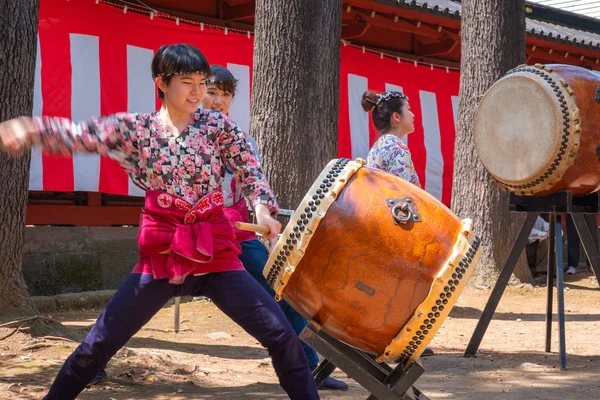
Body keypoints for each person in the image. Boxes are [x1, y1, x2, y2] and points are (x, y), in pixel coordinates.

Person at [0, 44, 319, 400]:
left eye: (202, 81)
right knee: (99, 343)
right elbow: (82, 134)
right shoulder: (139, 128)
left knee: (280, 336)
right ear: (162, 83)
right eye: (187, 82)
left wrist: (262, 207)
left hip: (216, 252)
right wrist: (30, 129)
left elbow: (249, 169)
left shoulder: (217, 125)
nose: (198, 91)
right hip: (163, 251)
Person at [202, 65, 348, 391]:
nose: (218, 101)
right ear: (197, 94)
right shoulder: (186, 140)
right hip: (196, 239)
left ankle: (308, 366)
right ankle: (92, 360)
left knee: (284, 294)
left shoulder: (243, 141)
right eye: (212, 92)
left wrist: (265, 222)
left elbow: (256, 189)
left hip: (240, 236)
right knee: (144, 292)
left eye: (225, 94)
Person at [361, 89, 433, 359]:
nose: (414, 114)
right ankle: (402, 341)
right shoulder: (395, 148)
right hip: (394, 225)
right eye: (409, 109)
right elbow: (405, 196)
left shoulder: (382, 145)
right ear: (396, 116)